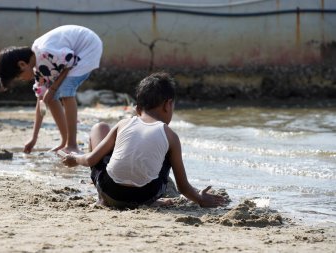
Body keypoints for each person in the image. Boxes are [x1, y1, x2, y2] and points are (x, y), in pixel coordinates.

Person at [62, 72, 225, 208]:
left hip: (110, 192)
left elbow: (91, 159)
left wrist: (74, 159)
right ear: (168, 105)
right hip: (145, 197)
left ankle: (101, 199)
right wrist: (201, 199)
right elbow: (183, 187)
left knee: (99, 131)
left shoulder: (123, 124)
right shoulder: (171, 135)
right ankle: (153, 201)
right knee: (166, 152)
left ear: (138, 109)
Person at [0, 25, 103, 154]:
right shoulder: (38, 68)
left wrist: (53, 88)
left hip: (87, 47)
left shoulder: (46, 53)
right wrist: (34, 138)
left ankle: (72, 145)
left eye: (19, 76)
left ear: (22, 64)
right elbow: (41, 102)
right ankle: (65, 141)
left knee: (66, 90)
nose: (22, 80)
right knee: (48, 97)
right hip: (73, 54)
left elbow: (70, 60)